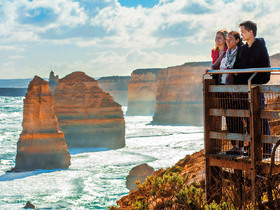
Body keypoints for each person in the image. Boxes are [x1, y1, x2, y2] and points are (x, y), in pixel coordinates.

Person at [233, 20, 271, 157]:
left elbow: (266, 70)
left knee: (260, 118)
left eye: (243, 31)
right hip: (242, 90)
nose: (241, 34)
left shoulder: (261, 47)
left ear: (250, 32)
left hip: (255, 90)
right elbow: (236, 68)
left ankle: (267, 149)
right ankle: (253, 146)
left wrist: (255, 83)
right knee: (248, 119)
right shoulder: (242, 49)